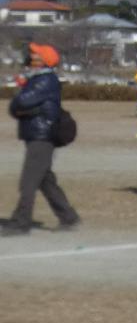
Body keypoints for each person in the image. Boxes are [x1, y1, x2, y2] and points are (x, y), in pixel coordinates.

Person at [3, 43, 78, 235]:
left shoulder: (46, 80)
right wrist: (21, 102)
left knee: (28, 181)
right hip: (35, 134)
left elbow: (21, 102)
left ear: (43, 61)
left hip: (42, 136)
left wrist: (21, 99)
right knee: (45, 180)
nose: (30, 57)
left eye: (35, 55)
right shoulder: (35, 80)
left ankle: (21, 222)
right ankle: (69, 217)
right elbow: (14, 109)